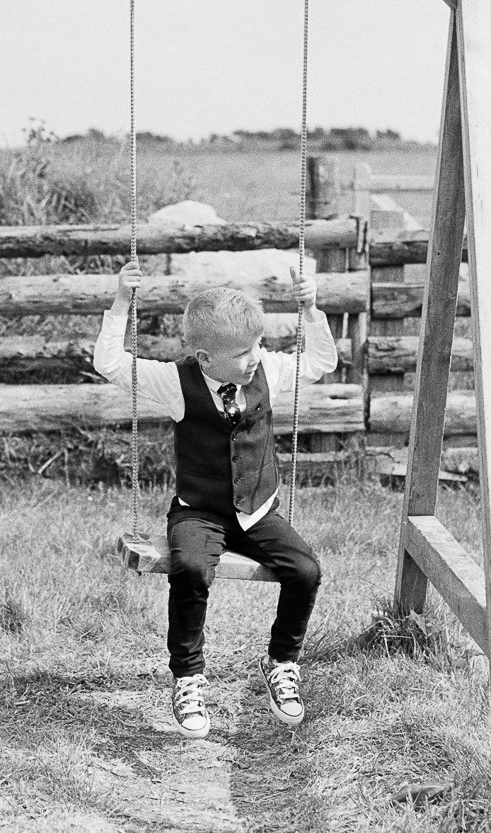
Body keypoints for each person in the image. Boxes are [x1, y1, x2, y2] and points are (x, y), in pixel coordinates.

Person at [93, 259, 338, 738]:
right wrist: (122, 301)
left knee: (305, 570)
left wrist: (311, 309)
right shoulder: (176, 382)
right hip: (199, 511)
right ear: (205, 358)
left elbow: (321, 362)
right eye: (243, 352)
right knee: (189, 569)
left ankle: (282, 662)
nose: (255, 357)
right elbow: (111, 364)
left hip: (257, 511)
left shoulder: (269, 370)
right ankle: (188, 677)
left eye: (258, 345)